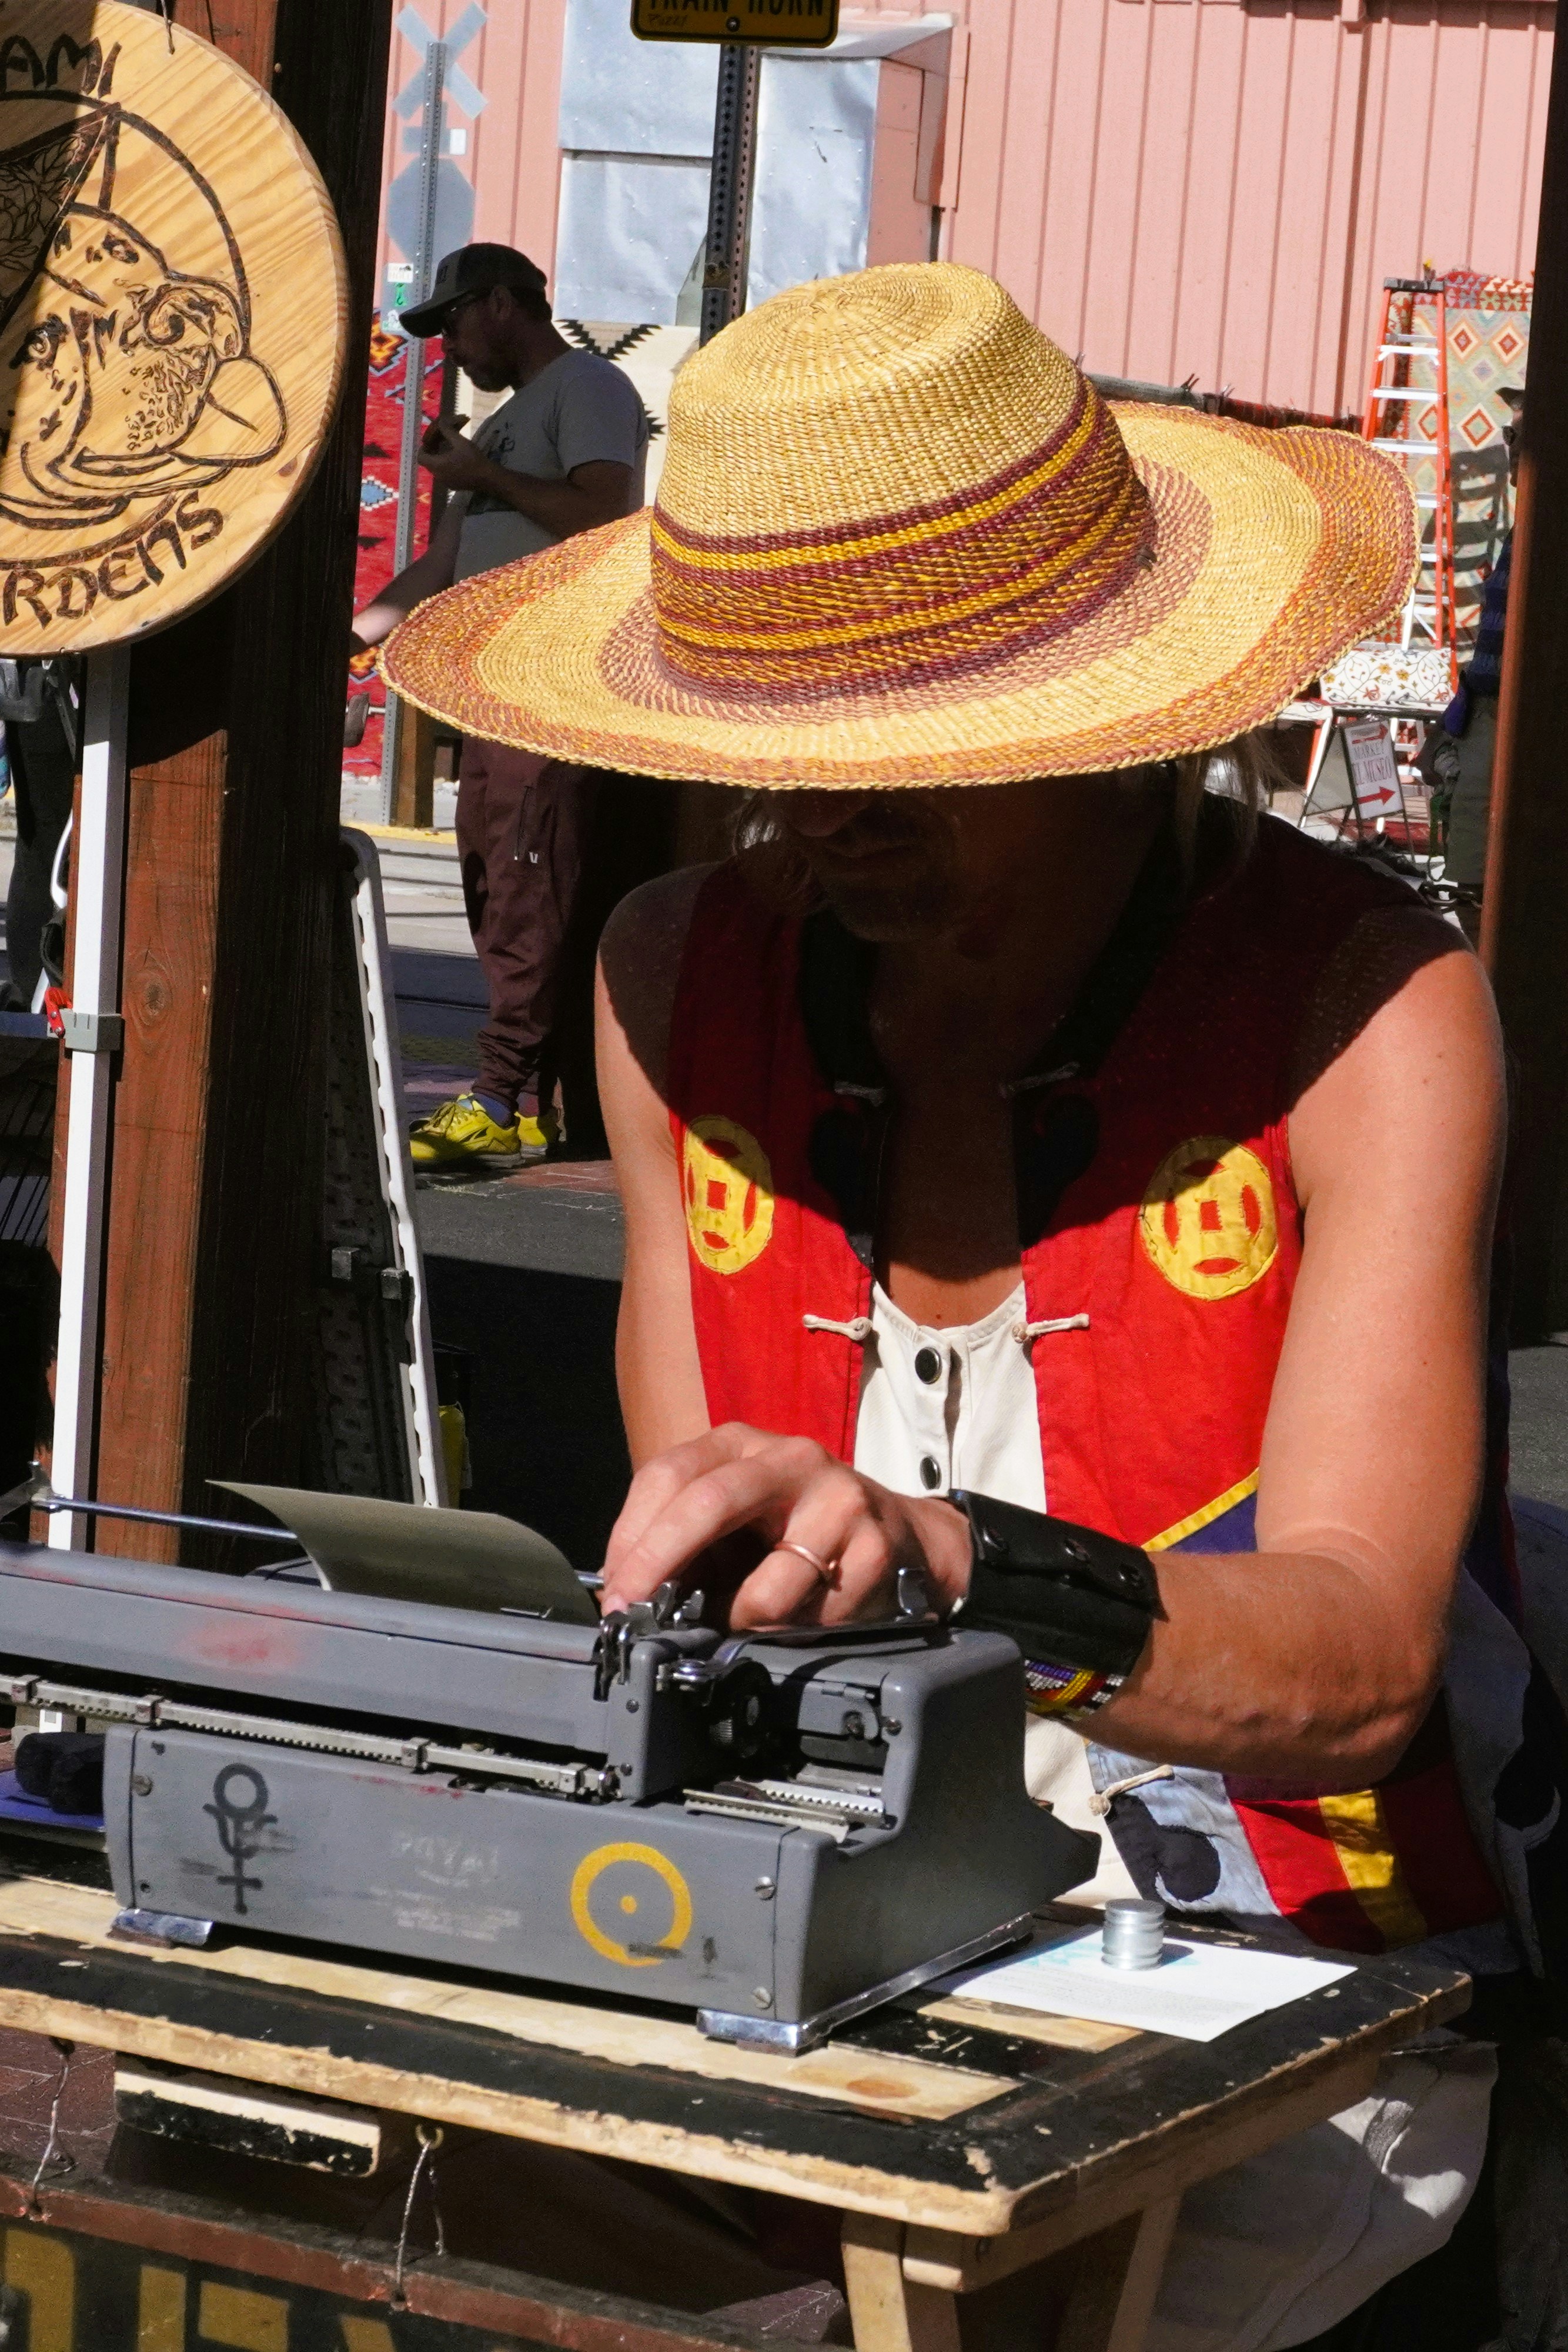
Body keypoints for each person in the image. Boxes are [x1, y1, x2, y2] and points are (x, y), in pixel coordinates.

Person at [385, 266, 1567, 2348]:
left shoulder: (1365, 1002)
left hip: (1292, 1987)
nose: (820, 823)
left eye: (906, 760)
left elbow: (1365, 1656)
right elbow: (701, 1556)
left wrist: (959, 1567)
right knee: (381, 2179)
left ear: (1110, 727)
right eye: (769, 750)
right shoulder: (675, 971)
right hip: (818, 1943)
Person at [353, 243, 650, 1165]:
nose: (447, 345)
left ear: (498, 305)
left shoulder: (585, 388)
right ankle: (529, 1098)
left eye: (451, 322)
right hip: (490, 697)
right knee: (495, 886)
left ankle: (496, 1096)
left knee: (528, 884)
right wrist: (350, 639)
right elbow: (442, 568)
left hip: (546, 687)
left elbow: (608, 517)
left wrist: (485, 479)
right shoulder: (510, 424)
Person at [1425, 385, 1522, 931]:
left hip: (1514, 719)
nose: (1511, 450)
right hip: (1485, 711)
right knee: (1467, 860)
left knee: (1484, 866)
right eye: (1509, 436)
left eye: (1522, 437)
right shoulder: (1521, 528)